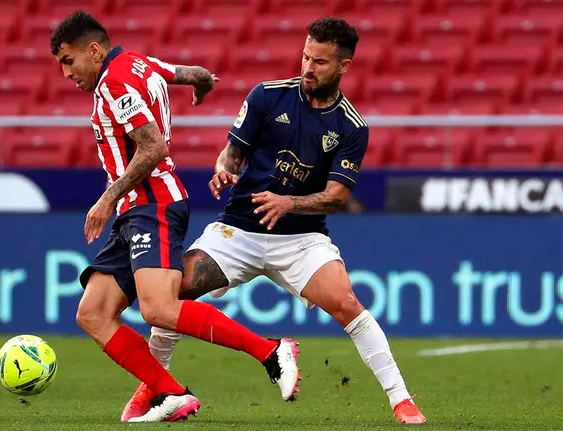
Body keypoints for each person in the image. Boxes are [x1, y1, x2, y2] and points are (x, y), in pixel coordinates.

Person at [123, 17, 427, 425]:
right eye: (305, 56)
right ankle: (155, 388)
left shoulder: (351, 127)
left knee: (348, 303)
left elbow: (336, 198)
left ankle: (401, 399)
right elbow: (231, 153)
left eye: (319, 61)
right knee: (171, 291)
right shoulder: (267, 96)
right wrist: (225, 170)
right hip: (239, 229)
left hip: (301, 238)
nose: (307, 67)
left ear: (344, 66)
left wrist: (289, 203)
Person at [49, 11, 301, 424]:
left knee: (160, 308)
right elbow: (193, 73)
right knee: (93, 312)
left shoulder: (114, 82)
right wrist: (201, 84)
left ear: (93, 50)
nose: (65, 74)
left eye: (68, 60)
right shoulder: (138, 62)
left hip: (154, 205)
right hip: (136, 213)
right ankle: (170, 394)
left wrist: (107, 198)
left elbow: (153, 149)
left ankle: (271, 351)